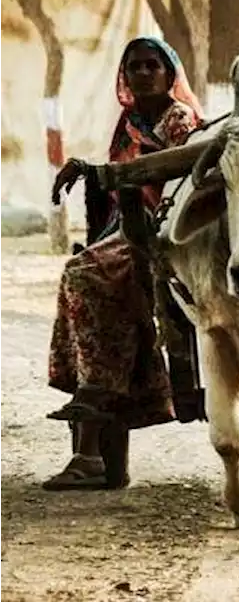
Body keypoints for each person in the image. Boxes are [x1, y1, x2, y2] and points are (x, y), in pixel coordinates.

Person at [41, 35, 204, 491]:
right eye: (135, 66)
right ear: (125, 76)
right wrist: (92, 173)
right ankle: (92, 422)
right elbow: (119, 181)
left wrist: (109, 175)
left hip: (173, 228)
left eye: (153, 65)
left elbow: (178, 176)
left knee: (87, 274)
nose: (144, 73)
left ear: (170, 74)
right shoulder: (129, 122)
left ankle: (92, 432)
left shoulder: (180, 120)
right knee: (82, 273)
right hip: (128, 227)